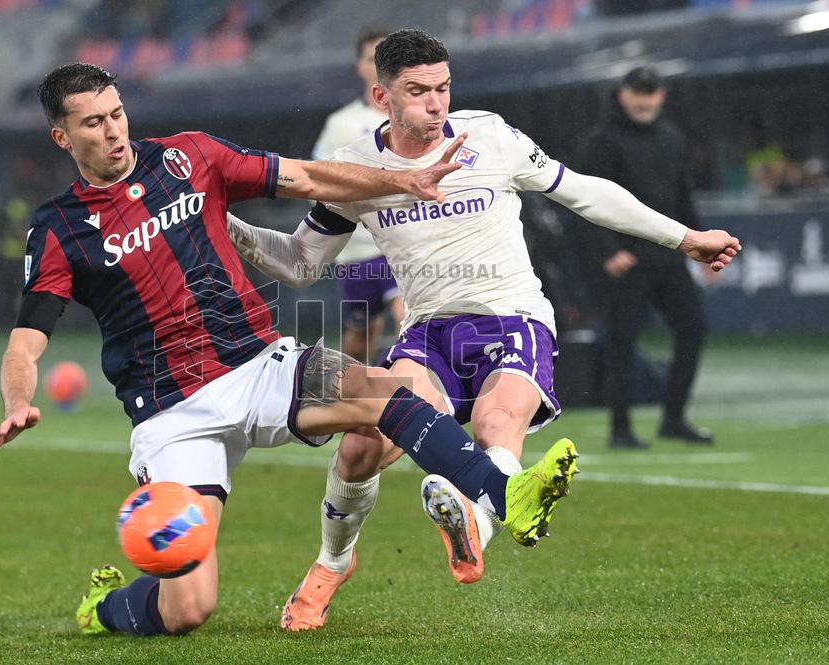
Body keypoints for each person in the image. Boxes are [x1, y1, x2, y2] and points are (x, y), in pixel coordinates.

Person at [0, 62, 569, 641]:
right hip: (173, 411)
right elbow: (26, 341)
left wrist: (405, 182)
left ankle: (503, 493)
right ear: (62, 137)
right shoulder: (60, 226)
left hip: (258, 364)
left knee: (387, 390)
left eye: (116, 113)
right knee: (187, 608)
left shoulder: (188, 157)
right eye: (92, 123)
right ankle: (107, 605)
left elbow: (310, 177)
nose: (113, 130)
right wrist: (19, 400)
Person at [226, 30, 740, 630]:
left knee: (499, 423)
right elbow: (299, 262)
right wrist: (225, 224)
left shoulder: (490, 136)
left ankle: (474, 521)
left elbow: (584, 194)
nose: (436, 104)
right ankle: (333, 563)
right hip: (427, 334)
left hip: (512, 317)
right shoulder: (358, 168)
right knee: (361, 446)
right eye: (417, 91)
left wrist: (685, 238)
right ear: (382, 96)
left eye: (443, 87)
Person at [577, 66, 715, 449]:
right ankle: (620, 428)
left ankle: (673, 417)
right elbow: (583, 202)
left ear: (661, 96)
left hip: (668, 254)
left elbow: (683, 196)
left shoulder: (671, 139)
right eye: (638, 93)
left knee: (694, 328)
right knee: (622, 342)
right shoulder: (602, 141)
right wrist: (608, 251)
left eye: (650, 93)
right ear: (622, 95)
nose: (644, 100)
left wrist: (704, 247)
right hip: (628, 259)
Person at [312, 28, 403, 363]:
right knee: (360, 340)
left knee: (408, 315)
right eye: (371, 57)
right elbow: (318, 181)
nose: (379, 64)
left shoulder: (419, 117)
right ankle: (348, 402)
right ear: (360, 68)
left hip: (404, 240)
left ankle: (412, 400)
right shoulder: (342, 125)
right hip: (357, 251)